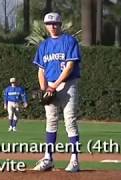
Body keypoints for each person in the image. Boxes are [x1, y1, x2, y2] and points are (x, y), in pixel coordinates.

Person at [32, 12, 81, 172]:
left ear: (60, 24)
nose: (52, 26)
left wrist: (54, 86)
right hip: (50, 86)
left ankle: (74, 160)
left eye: (55, 23)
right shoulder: (44, 45)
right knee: (51, 121)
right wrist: (44, 88)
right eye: (49, 23)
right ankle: (48, 158)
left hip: (67, 84)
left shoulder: (69, 41)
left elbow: (69, 67)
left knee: (70, 121)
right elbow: (41, 71)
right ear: (45, 25)